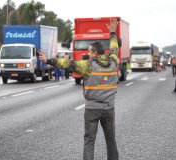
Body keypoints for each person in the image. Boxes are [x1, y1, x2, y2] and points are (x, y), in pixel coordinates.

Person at [38, 19, 119, 160]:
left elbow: (67, 64)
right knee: (111, 141)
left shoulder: (87, 65)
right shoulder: (113, 62)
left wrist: (49, 61)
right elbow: (114, 48)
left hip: (92, 108)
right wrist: (112, 33)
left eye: (89, 51)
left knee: (89, 141)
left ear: (94, 54)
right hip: (109, 108)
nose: (87, 53)